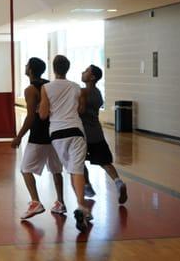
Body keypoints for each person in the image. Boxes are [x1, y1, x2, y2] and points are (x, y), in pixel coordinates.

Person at [39, 55, 91, 232]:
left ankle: (82, 208)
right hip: (76, 130)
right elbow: (81, 110)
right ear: (68, 68)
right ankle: (82, 207)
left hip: (57, 133)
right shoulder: (77, 88)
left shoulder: (46, 88)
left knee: (72, 169)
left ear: (53, 68)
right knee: (77, 170)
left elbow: (43, 115)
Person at [11, 57, 66, 219]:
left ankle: (35, 202)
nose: (25, 66)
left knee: (25, 169)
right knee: (56, 170)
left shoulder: (30, 89)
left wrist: (19, 136)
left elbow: (30, 117)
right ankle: (60, 202)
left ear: (31, 70)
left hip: (39, 134)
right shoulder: (49, 85)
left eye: (27, 65)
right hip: (54, 131)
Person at [79, 65, 128, 204]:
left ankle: (87, 185)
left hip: (83, 134)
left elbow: (80, 111)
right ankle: (118, 182)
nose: (83, 72)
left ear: (92, 77)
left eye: (86, 71)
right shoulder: (98, 93)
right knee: (105, 162)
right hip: (97, 133)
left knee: (79, 161)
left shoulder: (82, 92)